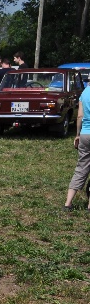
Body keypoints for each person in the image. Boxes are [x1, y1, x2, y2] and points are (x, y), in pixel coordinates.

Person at [63, 83, 90, 211]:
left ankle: (68, 203)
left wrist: (77, 134)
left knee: (81, 167)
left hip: (85, 134)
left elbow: (80, 116)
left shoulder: (84, 93)